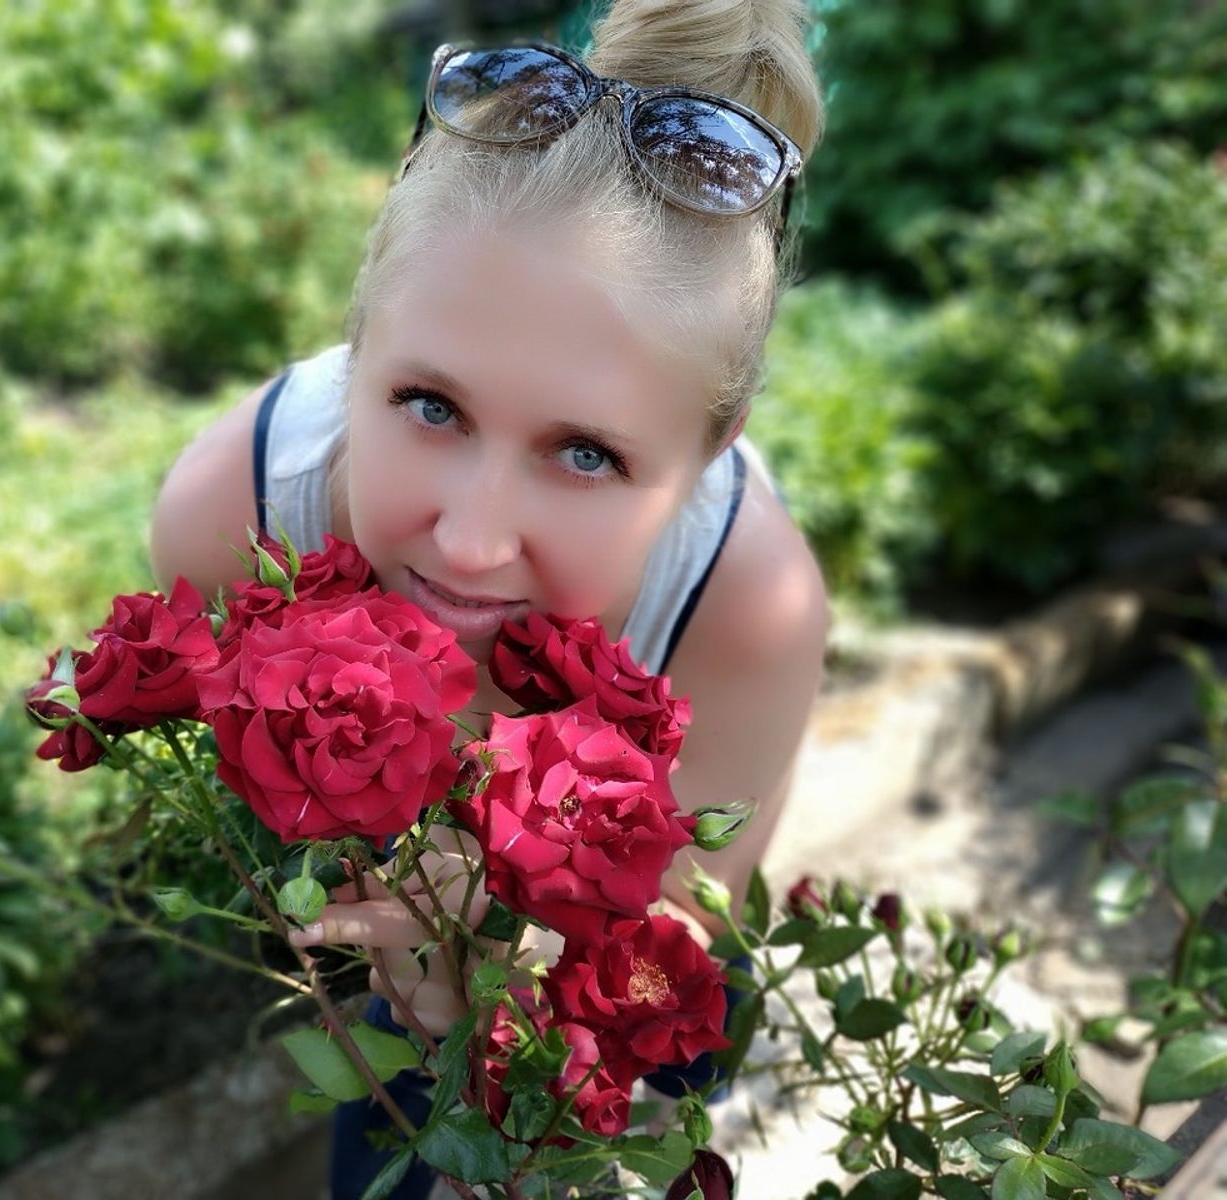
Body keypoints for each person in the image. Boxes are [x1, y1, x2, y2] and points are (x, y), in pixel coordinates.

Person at [149, 1, 828, 1195]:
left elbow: (678, 942)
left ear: (707, 454)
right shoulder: (233, 517)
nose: (467, 545)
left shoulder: (744, 605)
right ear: (357, 349)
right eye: (430, 406)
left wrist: (501, 968)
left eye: (585, 454)